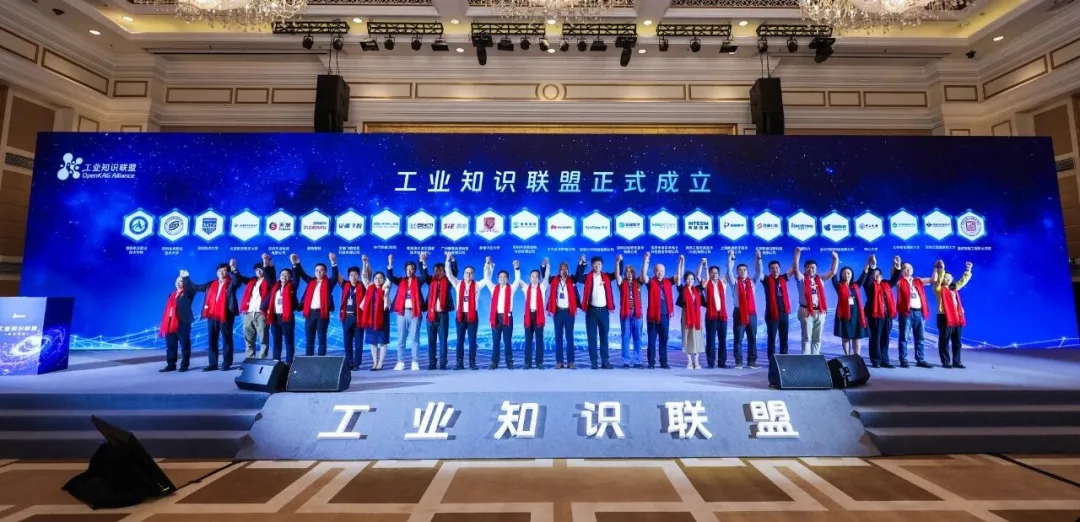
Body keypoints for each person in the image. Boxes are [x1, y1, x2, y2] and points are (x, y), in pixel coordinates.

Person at [191, 261, 240, 371]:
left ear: (228, 272)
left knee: (227, 339)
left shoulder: (231, 283)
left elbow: (237, 282)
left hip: (226, 315)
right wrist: (186, 278)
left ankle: (226, 363)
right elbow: (197, 287)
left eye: (223, 270)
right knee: (212, 339)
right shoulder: (211, 284)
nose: (221, 272)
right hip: (212, 315)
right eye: (219, 271)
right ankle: (213, 363)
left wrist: (234, 268)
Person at [292, 253, 340, 358]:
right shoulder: (311, 281)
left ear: (325, 272)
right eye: (317, 270)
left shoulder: (329, 283)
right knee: (310, 338)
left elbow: (335, 276)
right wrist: (296, 263)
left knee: (322, 338)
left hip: (322, 314)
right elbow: (302, 274)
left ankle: (321, 360)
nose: (319, 272)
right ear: (314, 272)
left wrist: (333, 262)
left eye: (321, 270)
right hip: (310, 314)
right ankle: (309, 359)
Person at [793, 248, 839, 355]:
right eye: (808, 267)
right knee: (807, 338)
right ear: (805, 269)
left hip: (820, 312)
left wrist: (835, 259)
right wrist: (796, 255)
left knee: (817, 338)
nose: (811, 269)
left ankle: (815, 358)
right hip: (806, 311)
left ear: (816, 269)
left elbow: (833, 272)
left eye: (813, 267)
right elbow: (795, 269)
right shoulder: (801, 279)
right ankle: (806, 360)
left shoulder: (821, 279)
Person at [890, 256, 933, 368]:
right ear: (902, 270)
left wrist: (937, 268)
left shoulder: (918, 281)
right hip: (906, 313)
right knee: (904, 337)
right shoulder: (899, 281)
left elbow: (933, 279)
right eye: (905, 268)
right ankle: (903, 359)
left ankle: (920, 360)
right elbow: (893, 275)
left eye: (910, 268)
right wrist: (897, 264)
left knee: (920, 338)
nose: (908, 269)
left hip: (919, 313)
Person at [388, 253, 427, 371]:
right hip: (402, 313)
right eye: (408, 269)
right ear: (405, 270)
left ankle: (415, 361)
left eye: (412, 269)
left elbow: (425, 276)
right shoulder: (401, 281)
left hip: (415, 313)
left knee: (415, 338)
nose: (409, 271)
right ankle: (400, 361)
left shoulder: (418, 280)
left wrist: (423, 262)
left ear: (414, 270)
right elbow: (390, 277)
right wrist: (390, 263)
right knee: (401, 338)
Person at [480, 258, 521, 369]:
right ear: (498, 279)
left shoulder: (511, 288)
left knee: (507, 342)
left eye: (505, 277)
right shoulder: (493, 288)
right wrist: (487, 264)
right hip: (496, 318)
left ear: (508, 279)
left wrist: (516, 268)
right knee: (496, 342)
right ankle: (494, 362)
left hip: (507, 318)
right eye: (501, 277)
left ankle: (509, 362)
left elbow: (517, 280)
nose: (503, 279)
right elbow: (486, 278)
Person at [234, 254, 275, 359]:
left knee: (263, 338)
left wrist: (266, 262)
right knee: (248, 338)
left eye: (261, 269)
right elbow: (240, 277)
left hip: (261, 314)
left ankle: (262, 359)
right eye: (257, 270)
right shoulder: (252, 281)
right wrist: (234, 269)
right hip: (249, 313)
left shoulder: (269, 281)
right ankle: (250, 358)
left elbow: (271, 275)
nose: (259, 272)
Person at [642, 252, 679, 369]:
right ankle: (651, 363)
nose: (659, 272)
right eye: (657, 270)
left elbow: (678, 276)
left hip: (665, 316)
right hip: (652, 317)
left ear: (664, 272)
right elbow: (643, 276)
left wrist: (680, 262)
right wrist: (646, 260)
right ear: (654, 272)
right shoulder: (651, 282)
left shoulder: (668, 282)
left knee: (663, 340)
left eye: (662, 271)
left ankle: (663, 362)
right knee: (652, 341)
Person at [933, 260, 972, 369]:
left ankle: (957, 361)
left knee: (957, 341)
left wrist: (968, 270)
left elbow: (962, 281)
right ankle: (946, 361)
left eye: (950, 278)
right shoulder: (938, 289)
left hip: (957, 317)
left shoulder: (953, 289)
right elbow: (938, 281)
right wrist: (941, 269)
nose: (948, 279)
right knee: (944, 340)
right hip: (944, 317)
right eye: (946, 277)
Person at [580, 254, 617, 370]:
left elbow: (618, 273)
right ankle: (594, 362)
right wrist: (582, 264)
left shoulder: (607, 277)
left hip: (604, 311)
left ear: (602, 265)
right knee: (592, 337)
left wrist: (618, 262)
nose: (597, 266)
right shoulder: (587, 277)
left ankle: (605, 361)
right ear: (592, 265)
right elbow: (578, 277)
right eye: (595, 264)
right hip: (591, 311)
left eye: (599, 264)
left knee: (604, 337)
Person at [445, 253, 481, 370]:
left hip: (472, 316)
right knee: (460, 340)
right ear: (463, 274)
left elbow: (487, 278)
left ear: (473, 275)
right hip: (460, 316)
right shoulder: (458, 283)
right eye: (466, 273)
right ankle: (459, 362)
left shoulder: (477, 285)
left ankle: (472, 362)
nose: (468, 274)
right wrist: (448, 260)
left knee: (472, 340)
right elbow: (449, 274)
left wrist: (488, 265)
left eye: (471, 273)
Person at [725, 250, 759, 369]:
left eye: (744, 270)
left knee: (752, 338)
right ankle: (738, 362)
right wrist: (731, 258)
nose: (742, 272)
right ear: (737, 272)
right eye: (740, 270)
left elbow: (759, 271)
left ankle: (752, 361)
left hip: (752, 313)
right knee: (738, 338)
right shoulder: (734, 283)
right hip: (739, 313)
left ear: (748, 272)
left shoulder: (753, 282)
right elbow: (729, 272)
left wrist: (758, 259)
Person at [860, 257, 896, 368]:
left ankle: (885, 360)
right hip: (874, 315)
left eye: (878, 274)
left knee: (885, 337)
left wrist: (897, 266)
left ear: (881, 276)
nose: (876, 276)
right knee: (875, 337)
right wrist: (873, 266)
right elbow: (868, 279)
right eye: (874, 275)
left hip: (887, 315)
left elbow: (895, 278)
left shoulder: (886, 285)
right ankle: (876, 360)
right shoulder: (869, 286)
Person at [757, 249, 793, 362]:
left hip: (784, 313)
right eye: (772, 268)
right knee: (772, 337)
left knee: (784, 337)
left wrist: (797, 254)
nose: (775, 270)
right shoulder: (766, 280)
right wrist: (758, 259)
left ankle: (784, 358)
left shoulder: (784, 278)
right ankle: (772, 359)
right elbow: (758, 272)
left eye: (776, 268)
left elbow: (793, 268)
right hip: (772, 314)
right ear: (769, 270)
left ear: (780, 269)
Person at [337, 257, 371, 371]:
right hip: (346, 317)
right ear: (348, 276)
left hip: (358, 318)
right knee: (347, 342)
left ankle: (357, 363)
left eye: (356, 274)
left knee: (358, 342)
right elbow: (337, 277)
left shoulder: (363, 286)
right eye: (351, 275)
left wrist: (365, 263)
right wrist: (334, 262)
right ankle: (349, 362)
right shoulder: (345, 285)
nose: (353, 277)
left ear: (359, 276)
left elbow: (367, 276)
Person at [548, 259, 583, 369]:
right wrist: (545, 266)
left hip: (569, 312)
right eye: (561, 269)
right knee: (558, 337)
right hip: (558, 312)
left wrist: (581, 263)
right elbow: (545, 275)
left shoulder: (572, 280)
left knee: (570, 337)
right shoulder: (554, 280)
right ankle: (559, 362)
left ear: (568, 270)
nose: (563, 271)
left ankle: (571, 362)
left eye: (565, 269)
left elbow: (579, 274)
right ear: (559, 271)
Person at [423, 253, 454, 370]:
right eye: (436, 270)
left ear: (444, 272)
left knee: (443, 340)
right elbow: (424, 274)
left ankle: (443, 363)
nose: (438, 272)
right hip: (431, 315)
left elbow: (454, 272)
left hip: (443, 315)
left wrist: (449, 259)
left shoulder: (448, 282)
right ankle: (432, 362)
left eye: (440, 270)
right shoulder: (430, 281)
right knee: (431, 341)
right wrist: (424, 262)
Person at [159, 271, 196, 372]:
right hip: (171, 323)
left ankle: (184, 365)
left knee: (185, 345)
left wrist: (186, 277)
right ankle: (171, 364)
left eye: (181, 281)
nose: (178, 283)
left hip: (183, 322)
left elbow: (191, 289)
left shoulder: (188, 293)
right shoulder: (172, 295)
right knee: (171, 345)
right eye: (177, 281)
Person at [615, 254, 644, 368]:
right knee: (626, 337)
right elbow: (617, 275)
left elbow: (643, 274)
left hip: (637, 313)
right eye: (627, 272)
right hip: (625, 313)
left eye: (631, 272)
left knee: (638, 337)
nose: (629, 274)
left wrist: (645, 260)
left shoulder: (638, 283)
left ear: (634, 273)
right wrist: (617, 262)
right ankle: (626, 361)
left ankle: (638, 361)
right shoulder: (622, 284)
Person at [832, 261, 867, 358]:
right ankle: (847, 357)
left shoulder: (856, 285)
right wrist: (835, 260)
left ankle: (857, 357)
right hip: (844, 316)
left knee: (857, 338)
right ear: (841, 275)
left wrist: (868, 263)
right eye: (844, 273)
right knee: (846, 337)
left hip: (856, 316)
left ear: (852, 275)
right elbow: (833, 275)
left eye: (848, 273)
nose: (846, 275)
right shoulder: (839, 286)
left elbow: (864, 274)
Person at [520, 260, 551, 369]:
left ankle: (539, 363)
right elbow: (517, 280)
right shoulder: (525, 287)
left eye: (536, 276)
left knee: (539, 340)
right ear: (529, 278)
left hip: (538, 316)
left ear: (539, 278)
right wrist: (516, 268)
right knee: (528, 340)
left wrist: (547, 265)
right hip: (528, 316)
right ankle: (527, 363)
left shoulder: (542, 287)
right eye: (532, 276)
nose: (534, 278)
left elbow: (547, 276)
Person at [266, 267, 300, 364]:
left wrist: (295, 265)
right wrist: (267, 265)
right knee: (276, 341)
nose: (284, 276)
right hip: (275, 317)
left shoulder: (292, 286)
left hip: (287, 317)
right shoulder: (275, 287)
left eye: (287, 275)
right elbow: (268, 276)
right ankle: (276, 362)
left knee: (288, 341)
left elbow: (296, 279)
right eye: (282, 275)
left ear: (290, 277)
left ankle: (289, 363)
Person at [677, 265, 706, 369]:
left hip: (697, 317)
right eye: (688, 279)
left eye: (692, 279)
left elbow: (705, 280)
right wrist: (681, 263)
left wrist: (704, 265)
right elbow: (678, 277)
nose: (690, 281)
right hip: (686, 316)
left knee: (697, 338)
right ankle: (689, 361)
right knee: (687, 337)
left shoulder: (697, 289)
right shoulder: (682, 289)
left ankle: (696, 362)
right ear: (685, 280)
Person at [701, 258, 729, 369]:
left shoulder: (723, 283)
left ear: (718, 274)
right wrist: (704, 265)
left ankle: (722, 362)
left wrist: (730, 258)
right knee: (710, 339)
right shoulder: (706, 283)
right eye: (712, 273)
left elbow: (729, 271)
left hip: (722, 316)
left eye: (716, 273)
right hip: (711, 316)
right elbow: (697, 275)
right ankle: (711, 363)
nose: (714, 275)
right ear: (709, 274)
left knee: (722, 339)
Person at [361, 271, 392, 370]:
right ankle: (375, 362)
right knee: (373, 341)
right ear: (373, 280)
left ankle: (380, 363)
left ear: (384, 280)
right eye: (376, 278)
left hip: (383, 318)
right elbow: (364, 277)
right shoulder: (369, 287)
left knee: (383, 341)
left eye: (380, 278)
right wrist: (364, 265)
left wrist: (390, 265)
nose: (378, 280)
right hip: (370, 318)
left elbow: (389, 279)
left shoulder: (385, 288)